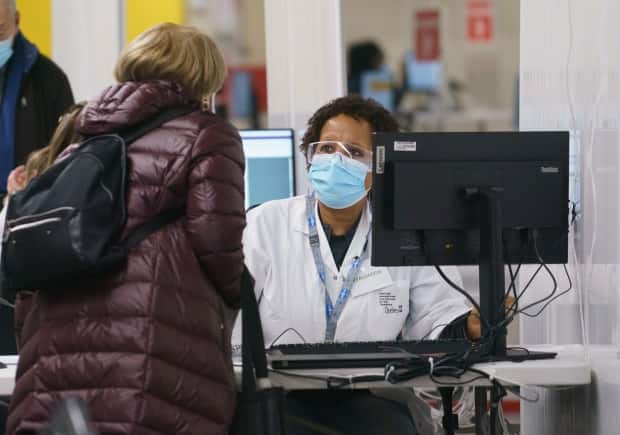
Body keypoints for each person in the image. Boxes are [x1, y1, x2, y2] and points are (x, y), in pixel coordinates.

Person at [7, 23, 245, 435]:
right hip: (148, 349)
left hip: (53, 355)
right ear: (202, 76)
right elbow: (217, 246)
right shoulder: (206, 134)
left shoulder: (79, 140)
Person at [239, 95, 481, 434]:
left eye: (353, 153)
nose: (336, 161)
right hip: (280, 395)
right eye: (326, 149)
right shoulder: (265, 224)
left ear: (378, 166)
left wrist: (468, 326)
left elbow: (435, 318)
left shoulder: (405, 233)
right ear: (309, 156)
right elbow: (231, 318)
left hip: (370, 396)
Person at [0, 0, 74, 196]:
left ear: (16, 20)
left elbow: (67, 151)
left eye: (0, 31)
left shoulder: (49, 79)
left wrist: (34, 181)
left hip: (28, 204)